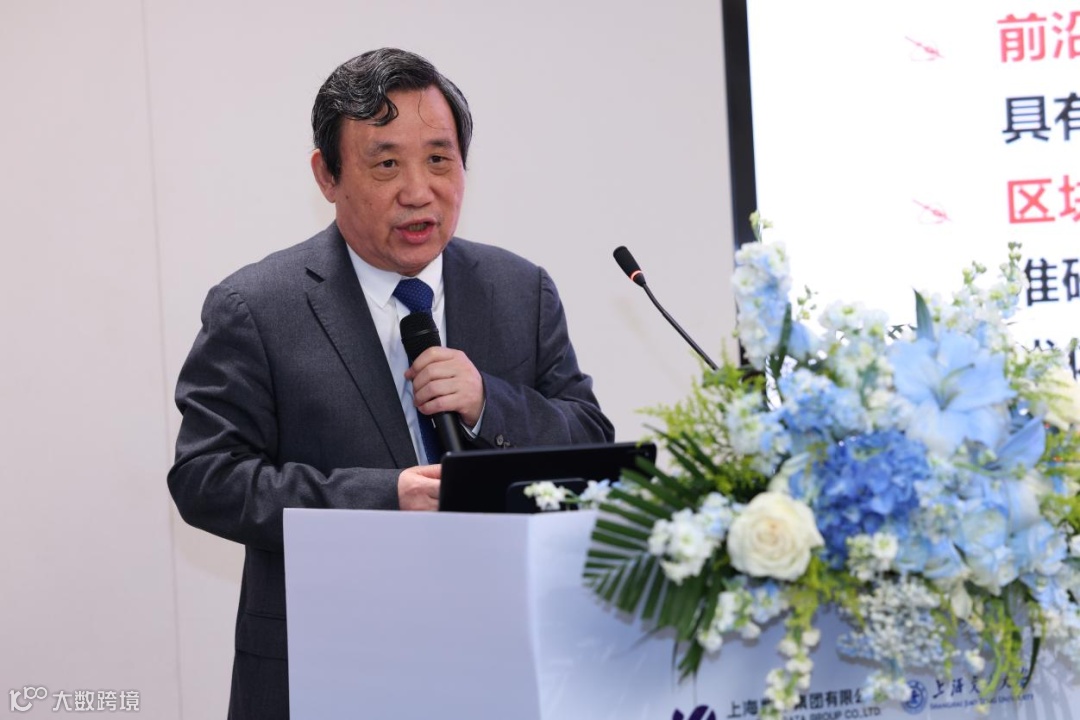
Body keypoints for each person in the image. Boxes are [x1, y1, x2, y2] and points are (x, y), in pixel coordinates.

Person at [168, 47, 614, 719]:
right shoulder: (256, 308)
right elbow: (207, 478)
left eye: (439, 159)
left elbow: (592, 445)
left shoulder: (519, 289)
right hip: (330, 665)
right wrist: (384, 499)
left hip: (505, 657)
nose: (418, 190)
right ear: (327, 175)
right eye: (386, 164)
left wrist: (488, 403)